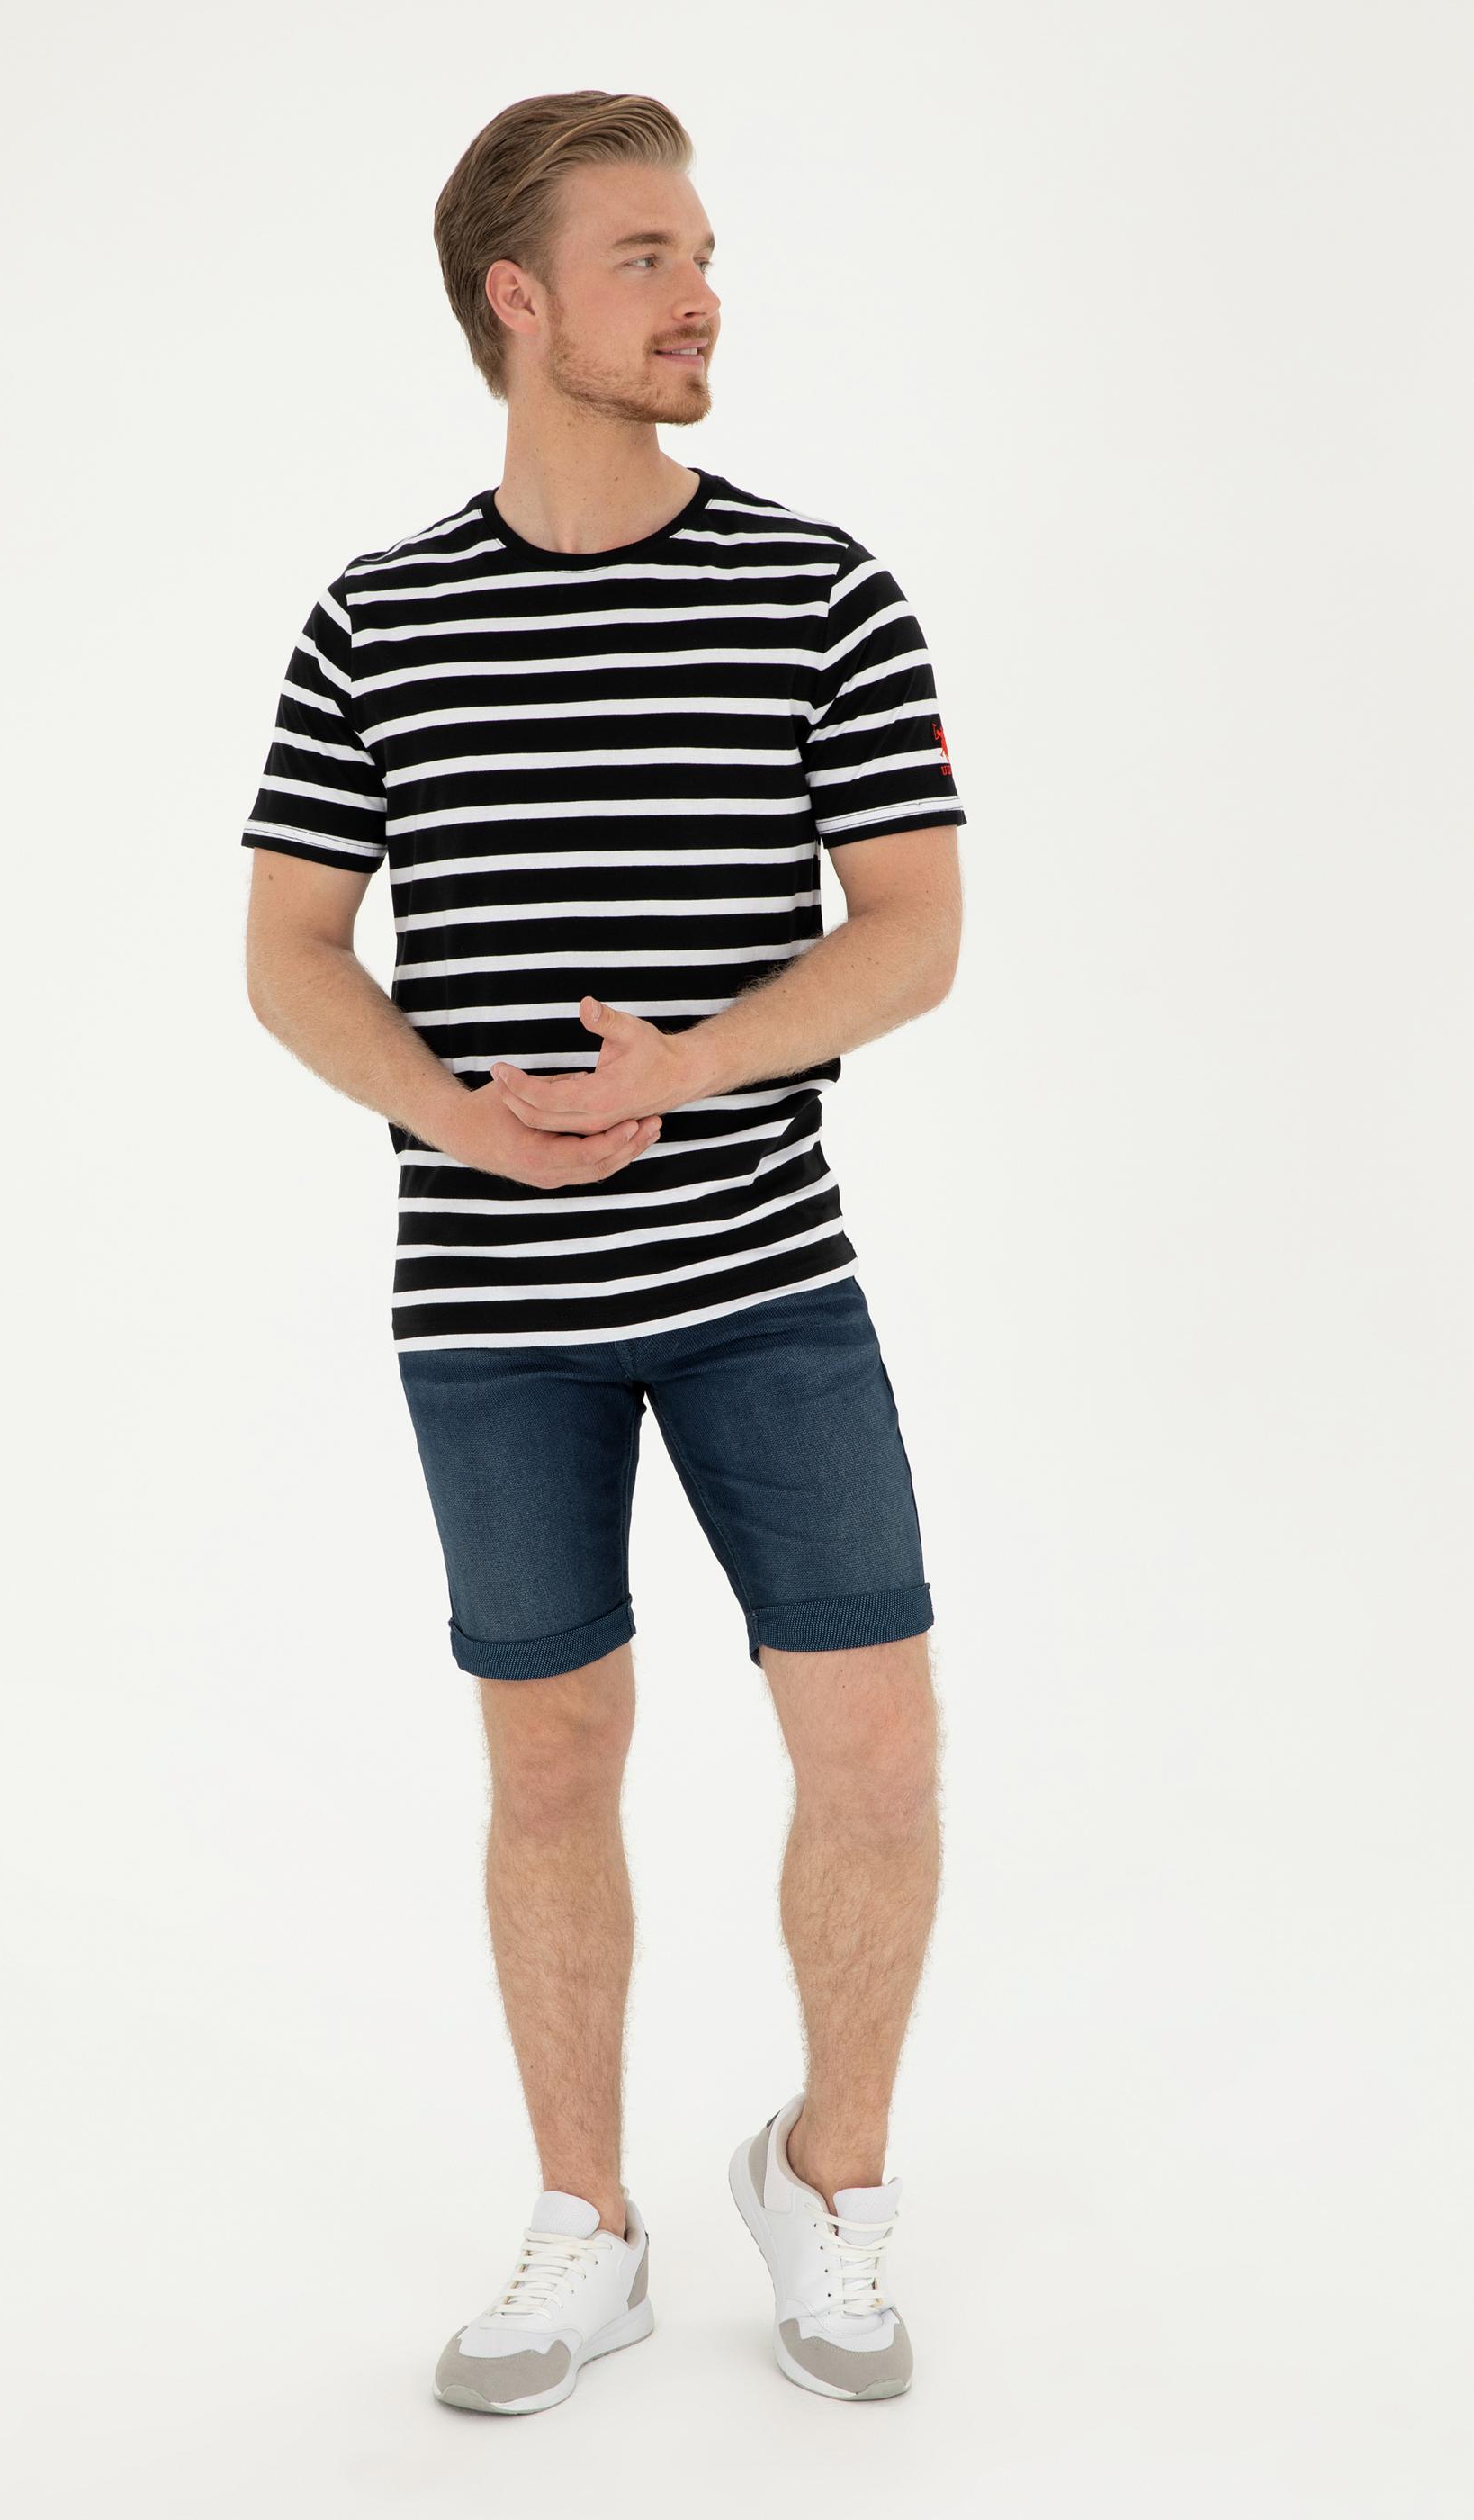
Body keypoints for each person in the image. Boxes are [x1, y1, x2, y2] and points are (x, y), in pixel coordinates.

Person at [240, 89, 967, 2412]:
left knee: (873, 1748)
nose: (702, 297)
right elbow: (290, 954)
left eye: (705, 253)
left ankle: (829, 2177)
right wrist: (457, 1114)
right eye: (648, 257)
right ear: (516, 298)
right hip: (491, 1320)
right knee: (549, 1763)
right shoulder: (375, 618)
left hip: (771, 1283)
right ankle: (588, 2224)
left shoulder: (817, 587)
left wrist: (698, 1061)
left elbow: (916, 927)